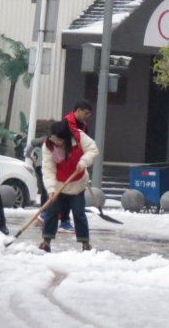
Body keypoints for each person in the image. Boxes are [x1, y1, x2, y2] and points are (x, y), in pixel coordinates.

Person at [39, 120, 99, 252]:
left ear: (66, 138)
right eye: (53, 138)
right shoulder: (48, 146)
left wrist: (84, 162)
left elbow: (93, 149)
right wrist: (51, 190)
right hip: (58, 183)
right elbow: (48, 170)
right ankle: (46, 241)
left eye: (58, 140)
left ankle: (85, 243)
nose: (55, 142)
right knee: (52, 211)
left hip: (77, 183)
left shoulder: (79, 137)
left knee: (78, 212)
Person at [56, 100, 94, 233]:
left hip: (77, 164)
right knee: (63, 192)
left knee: (73, 194)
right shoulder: (65, 123)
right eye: (86, 113)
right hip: (64, 163)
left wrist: (84, 161)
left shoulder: (83, 125)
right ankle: (62, 220)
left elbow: (85, 144)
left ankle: (67, 222)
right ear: (78, 111)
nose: (87, 116)